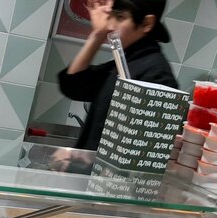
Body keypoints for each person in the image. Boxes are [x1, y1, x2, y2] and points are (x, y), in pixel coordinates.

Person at [51, 0, 177, 169]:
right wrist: (97, 35)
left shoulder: (157, 75)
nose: (110, 25)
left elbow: (136, 156)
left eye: (120, 17)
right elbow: (73, 85)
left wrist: (77, 162)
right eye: (111, 16)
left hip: (105, 182)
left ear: (147, 23)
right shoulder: (126, 62)